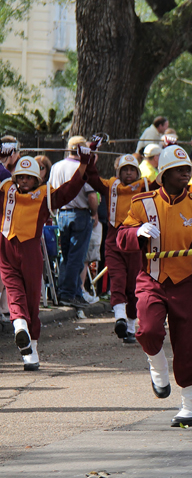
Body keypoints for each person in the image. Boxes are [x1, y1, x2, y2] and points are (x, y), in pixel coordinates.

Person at [117, 145, 192, 427]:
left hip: (186, 284)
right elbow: (121, 237)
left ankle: (190, 404)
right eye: (178, 170)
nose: (185, 174)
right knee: (147, 331)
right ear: (163, 174)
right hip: (150, 279)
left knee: (185, 346)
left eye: (187, 169)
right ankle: (157, 365)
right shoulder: (142, 203)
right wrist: (135, 232)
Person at [0, 151, 93, 371]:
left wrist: (85, 162)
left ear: (37, 179)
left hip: (30, 250)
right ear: (15, 178)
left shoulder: (46, 194)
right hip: (5, 247)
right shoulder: (5, 189)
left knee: (32, 298)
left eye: (29, 177)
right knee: (14, 292)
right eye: (20, 177)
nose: (24, 181)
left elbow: (70, 190)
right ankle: (20, 327)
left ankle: (31, 347)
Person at [85, 154, 150, 343]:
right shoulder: (110, 185)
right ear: (118, 171)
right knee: (118, 279)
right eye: (125, 170)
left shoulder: (145, 186)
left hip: (137, 241)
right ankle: (119, 318)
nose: (128, 173)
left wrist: (170, 149)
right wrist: (89, 158)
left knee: (134, 286)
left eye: (132, 169)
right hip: (114, 240)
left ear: (137, 172)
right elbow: (92, 178)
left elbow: (165, 179)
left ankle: (130, 326)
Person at [49, 136, 99, 307]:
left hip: (61, 214)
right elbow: (92, 195)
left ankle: (66, 290)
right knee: (76, 257)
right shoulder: (81, 167)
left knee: (65, 256)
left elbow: (52, 191)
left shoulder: (56, 167)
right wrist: (95, 213)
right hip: (80, 214)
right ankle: (69, 294)